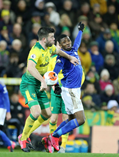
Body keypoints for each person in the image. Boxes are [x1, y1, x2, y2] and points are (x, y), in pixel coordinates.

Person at [18, 26, 79, 152]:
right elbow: (30, 67)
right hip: (29, 84)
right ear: (45, 38)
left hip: (40, 84)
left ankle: (24, 135)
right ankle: (23, 139)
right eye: (52, 37)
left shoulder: (49, 47)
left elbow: (58, 51)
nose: (54, 38)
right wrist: (42, 80)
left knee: (47, 114)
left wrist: (70, 57)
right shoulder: (36, 51)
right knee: (35, 112)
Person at [42, 22, 85, 153]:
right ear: (59, 45)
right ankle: (55, 136)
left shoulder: (73, 50)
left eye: (68, 40)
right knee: (81, 120)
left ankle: (51, 136)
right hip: (70, 91)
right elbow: (54, 73)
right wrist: (53, 83)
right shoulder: (62, 58)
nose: (68, 43)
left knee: (71, 119)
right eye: (64, 42)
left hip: (73, 90)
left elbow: (77, 41)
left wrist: (80, 31)